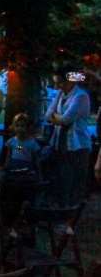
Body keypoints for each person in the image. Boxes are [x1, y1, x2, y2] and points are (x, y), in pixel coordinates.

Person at [45, 67, 91, 207]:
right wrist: (58, 118)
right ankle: (63, 208)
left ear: (70, 81)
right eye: (56, 82)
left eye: (60, 82)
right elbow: (47, 115)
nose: (57, 86)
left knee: (75, 180)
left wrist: (57, 118)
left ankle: (72, 213)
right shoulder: (60, 94)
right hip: (60, 143)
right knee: (63, 178)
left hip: (77, 145)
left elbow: (66, 120)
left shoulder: (81, 96)